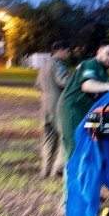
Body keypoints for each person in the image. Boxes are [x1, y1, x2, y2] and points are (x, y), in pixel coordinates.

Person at [57, 40, 109, 160]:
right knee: (75, 149)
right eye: (108, 53)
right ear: (99, 52)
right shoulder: (91, 64)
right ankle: (72, 177)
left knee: (86, 150)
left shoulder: (103, 72)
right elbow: (87, 85)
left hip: (85, 110)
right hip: (73, 109)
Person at [35, 41, 71, 178]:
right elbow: (63, 81)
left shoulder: (44, 65)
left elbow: (38, 85)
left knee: (48, 139)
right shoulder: (58, 64)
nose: (69, 53)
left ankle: (45, 171)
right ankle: (58, 168)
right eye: (67, 51)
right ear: (60, 50)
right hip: (58, 105)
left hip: (44, 105)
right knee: (66, 136)